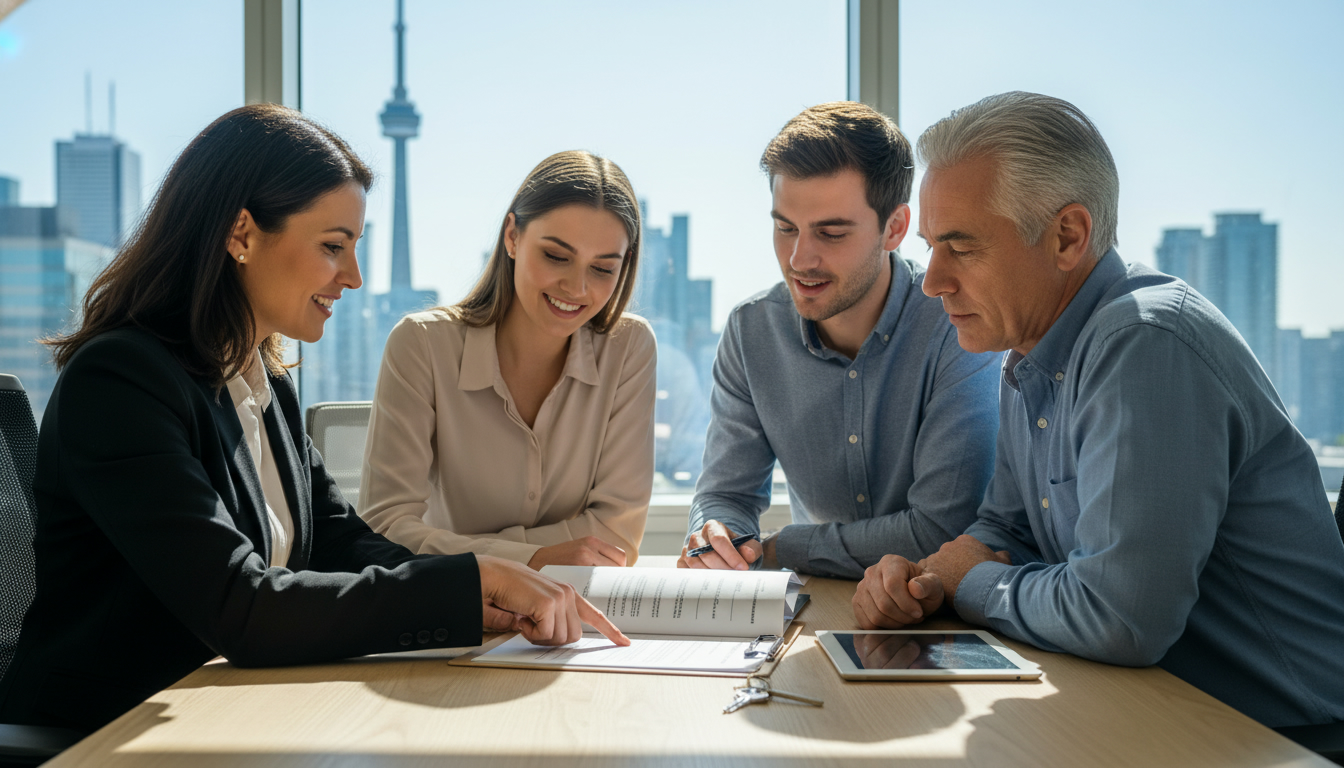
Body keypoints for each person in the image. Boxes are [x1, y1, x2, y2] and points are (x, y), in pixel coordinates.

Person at [0, 105, 627, 733]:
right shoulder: (120, 382)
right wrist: (466, 585)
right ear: (241, 233)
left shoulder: (264, 380)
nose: (353, 277)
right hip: (106, 736)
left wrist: (488, 596)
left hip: (233, 716)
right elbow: (238, 605)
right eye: (333, 247)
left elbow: (338, 541)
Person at [851, 91, 1344, 728]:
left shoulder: (1143, 343)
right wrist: (927, 580)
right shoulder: (1026, 352)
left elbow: (1121, 618)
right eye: (931, 246)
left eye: (962, 247)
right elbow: (1009, 530)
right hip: (1161, 712)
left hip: (1288, 734)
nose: (933, 280)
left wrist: (970, 584)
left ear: (1067, 235)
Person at [678, 101, 1000, 579]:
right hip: (817, 605)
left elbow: (939, 529)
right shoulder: (751, 332)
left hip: (941, 609)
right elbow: (727, 495)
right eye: (785, 228)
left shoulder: (956, 325)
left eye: (830, 233)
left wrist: (780, 549)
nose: (799, 259)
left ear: (894, 228)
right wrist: (718, 536)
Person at [358, 151, 655, 569]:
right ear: (512, 236)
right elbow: (385, 528)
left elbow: (616, 537)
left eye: (603, 268)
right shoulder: (421, 344)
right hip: (455, 611)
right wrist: (535, 558)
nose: (576, 287)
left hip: (571, 613)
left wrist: (460, 548)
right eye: (556, 256)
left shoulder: (629, 347)